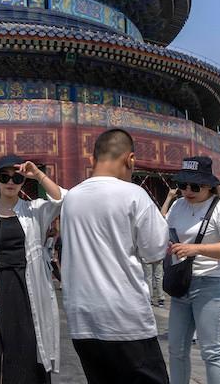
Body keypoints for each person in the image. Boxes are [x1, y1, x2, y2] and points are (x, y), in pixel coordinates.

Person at [61, 129, 169, 384]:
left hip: (83, 318)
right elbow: (154, 251)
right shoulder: (133, 194)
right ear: (130, 159)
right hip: (125, 318)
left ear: (93, 158)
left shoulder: (72, 198)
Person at [0, 156, 65, 381]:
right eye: (5, 177)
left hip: (32, 288)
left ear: (23, 181)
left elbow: (61, 199)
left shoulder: (34, 209)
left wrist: (37, 174)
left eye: (17, 177)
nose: (11, 182)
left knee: (33, 342)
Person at [164, 156, 220, 384]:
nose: (187, 190)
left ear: (209, 186)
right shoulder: (178, 205)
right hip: (181, 284)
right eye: (182, 185)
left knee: (211, 351)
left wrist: (194, 249)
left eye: (195, 186)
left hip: (210, 284)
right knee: (176, 349)